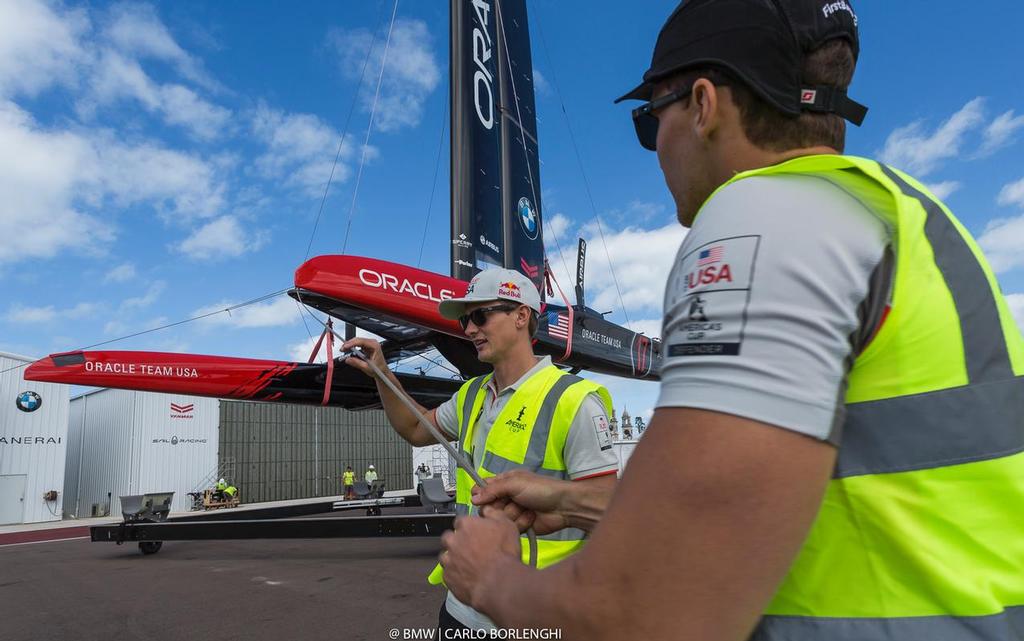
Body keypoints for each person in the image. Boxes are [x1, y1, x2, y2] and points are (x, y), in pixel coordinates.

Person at [438, 1, 1024, 639]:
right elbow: (796, 488)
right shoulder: (905, 214)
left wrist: (491, 578)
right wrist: (573, 499)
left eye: (648, 121)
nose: (654, 148)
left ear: (703, 104)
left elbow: (656, 610)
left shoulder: (762, 219)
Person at [343, 267, 619, 633]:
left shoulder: (573, 401)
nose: (470, 329)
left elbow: (607, 511)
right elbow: (414, 427)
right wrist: (382, 374)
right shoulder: (471, 395)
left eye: (480, 315)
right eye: (465, 321)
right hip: (460, 609)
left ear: (522, 315)